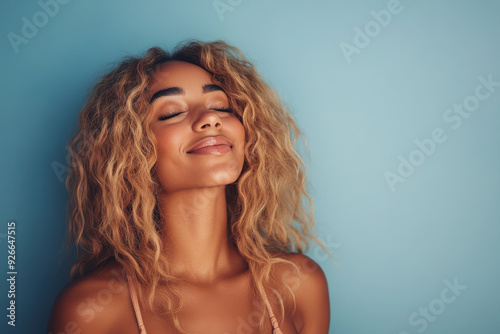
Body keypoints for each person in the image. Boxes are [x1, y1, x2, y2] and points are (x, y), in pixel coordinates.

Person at [47, 40, 330, 334]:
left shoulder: (299, 284)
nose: (210, 118)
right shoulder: (91, 310)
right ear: (131, 151)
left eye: (221, 106)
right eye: (171, 113)